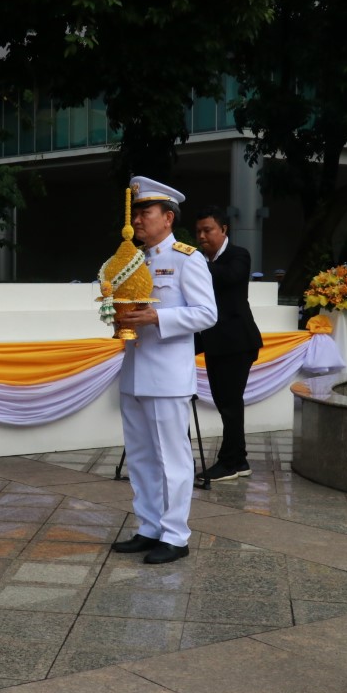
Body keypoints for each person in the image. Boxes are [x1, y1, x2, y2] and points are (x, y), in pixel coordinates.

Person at [112, 177, 217, 564]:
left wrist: (158, 317)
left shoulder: (187, 259)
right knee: (140, 456)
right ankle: (149, 526)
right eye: (136, 212)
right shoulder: (133, 259)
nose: (137, 220)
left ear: (168, 217)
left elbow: (207, 314)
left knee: (172, 458)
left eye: (146, 212)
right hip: (134, 371)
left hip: (168, 375)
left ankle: (175, 534)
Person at [194, 206, 263, 482]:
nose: (201, 236)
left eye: (207, 230)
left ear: (223, 230)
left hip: (237, 342)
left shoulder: (238, 255)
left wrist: (193, 265)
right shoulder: (200, 259)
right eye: (198, 231)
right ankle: (240, 460)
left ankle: (229, 463)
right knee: (225, 402)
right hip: (214, 343)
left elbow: (230, 277)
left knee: (230, 404)